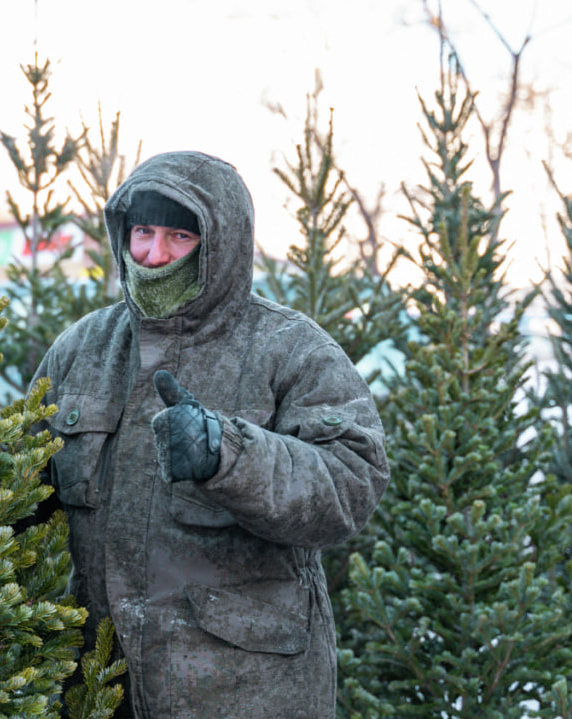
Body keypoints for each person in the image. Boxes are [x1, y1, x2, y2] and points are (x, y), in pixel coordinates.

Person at [31, 151, 389, 718]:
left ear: (220, 245)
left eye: (179, 236)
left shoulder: (289, 349)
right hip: (102, 689)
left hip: (244, 692)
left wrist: (229, 454)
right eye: (143, 232)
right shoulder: (83, 349)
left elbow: (351, 482)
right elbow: (21, 488)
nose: (154, 254)